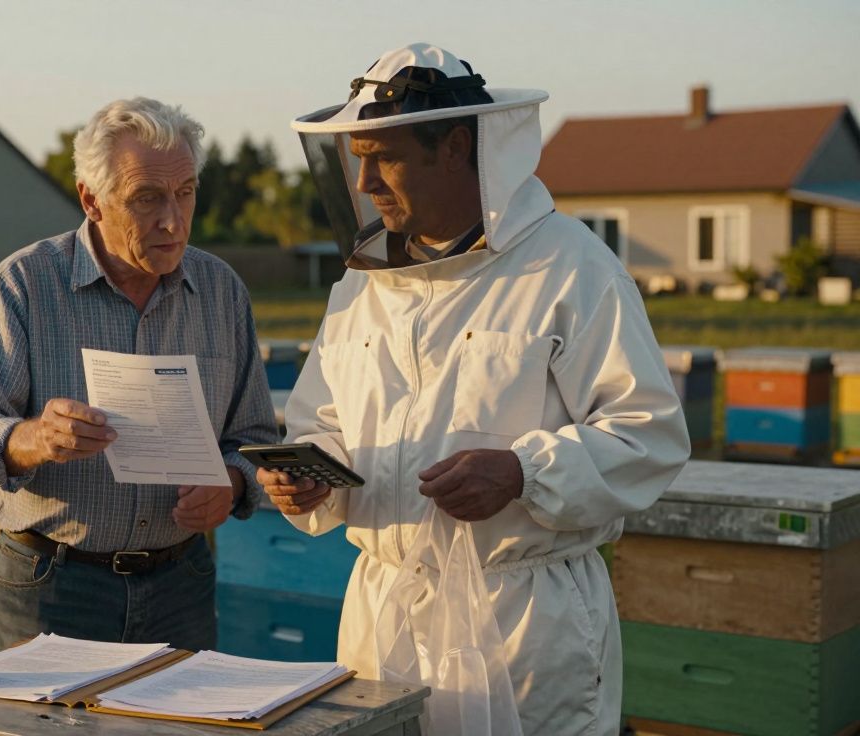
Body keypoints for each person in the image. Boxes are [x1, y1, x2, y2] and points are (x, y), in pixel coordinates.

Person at [259, 43, 689, 735]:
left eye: (385, 157)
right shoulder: (359, 289)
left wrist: (524, 472)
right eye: (357, 158)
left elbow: (649, 435)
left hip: (522, 625)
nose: (365, 180)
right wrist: (310, 477)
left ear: (456, 147)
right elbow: (324, 423)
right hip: (385, 613)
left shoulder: (571, 270)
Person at [0, 97, 278, 653]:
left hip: (181, 584)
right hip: (53, 585)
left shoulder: (222, 292)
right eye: (147, 198)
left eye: (186, 192)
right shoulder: (24, 284)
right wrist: (35, 440)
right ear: (91, 200)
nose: (173, 218)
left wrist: (233, 483)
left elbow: (256, 440)